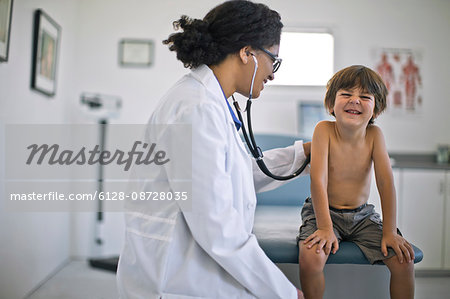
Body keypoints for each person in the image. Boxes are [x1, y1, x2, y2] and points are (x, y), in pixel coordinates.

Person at [116, 1, 309, 298]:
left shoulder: (210, 101)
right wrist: (283, 291)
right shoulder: (196, 109)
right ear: (248, 53)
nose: (273, 73)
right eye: (274, 60)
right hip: (175, 280)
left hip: (192, 274)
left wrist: (303, 154)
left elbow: (236, 173)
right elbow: (216, 226)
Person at [297, 65, 415, 299]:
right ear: (331, 104)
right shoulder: (323, 130)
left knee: (403, 262)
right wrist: (324, 227)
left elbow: (386, 183)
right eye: (346, 94)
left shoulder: (375, 136)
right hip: (323, 213)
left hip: (363, 216)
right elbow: (318, 181)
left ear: (376, 109)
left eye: (364, 96)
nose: (355, 101)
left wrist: (390, 231)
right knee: (310, 259)